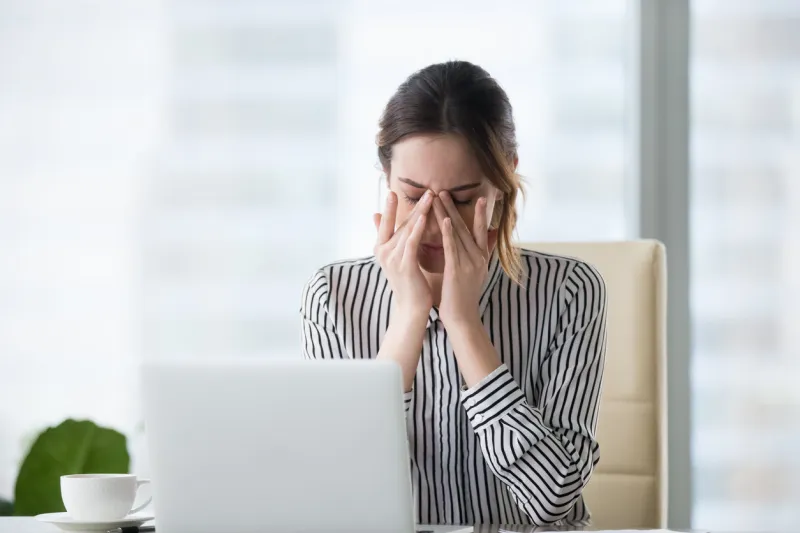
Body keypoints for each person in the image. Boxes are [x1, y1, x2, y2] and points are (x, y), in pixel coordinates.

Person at [300, 60, 607, 526]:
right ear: (387, 180)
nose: (433, 222)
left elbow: (553, 503)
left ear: (503, 184)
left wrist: (464, 324)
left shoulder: (569, 292)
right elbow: (339, 494)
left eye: (461, 200)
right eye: (411, 194)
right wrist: (408, 318)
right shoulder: (333, 296)